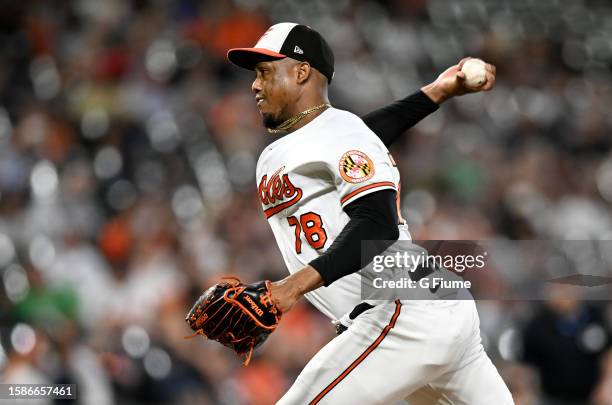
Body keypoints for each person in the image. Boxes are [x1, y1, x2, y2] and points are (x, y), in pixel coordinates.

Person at [227, 22, 513, 404]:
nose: (255, 85)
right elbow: (370, 131)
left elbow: (377, 226)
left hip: (402, 311)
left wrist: (289, 288)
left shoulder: (340, 131)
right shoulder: (327, 137)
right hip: (429, 308)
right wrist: (438, 91)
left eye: (265, 72)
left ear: (300, 72)